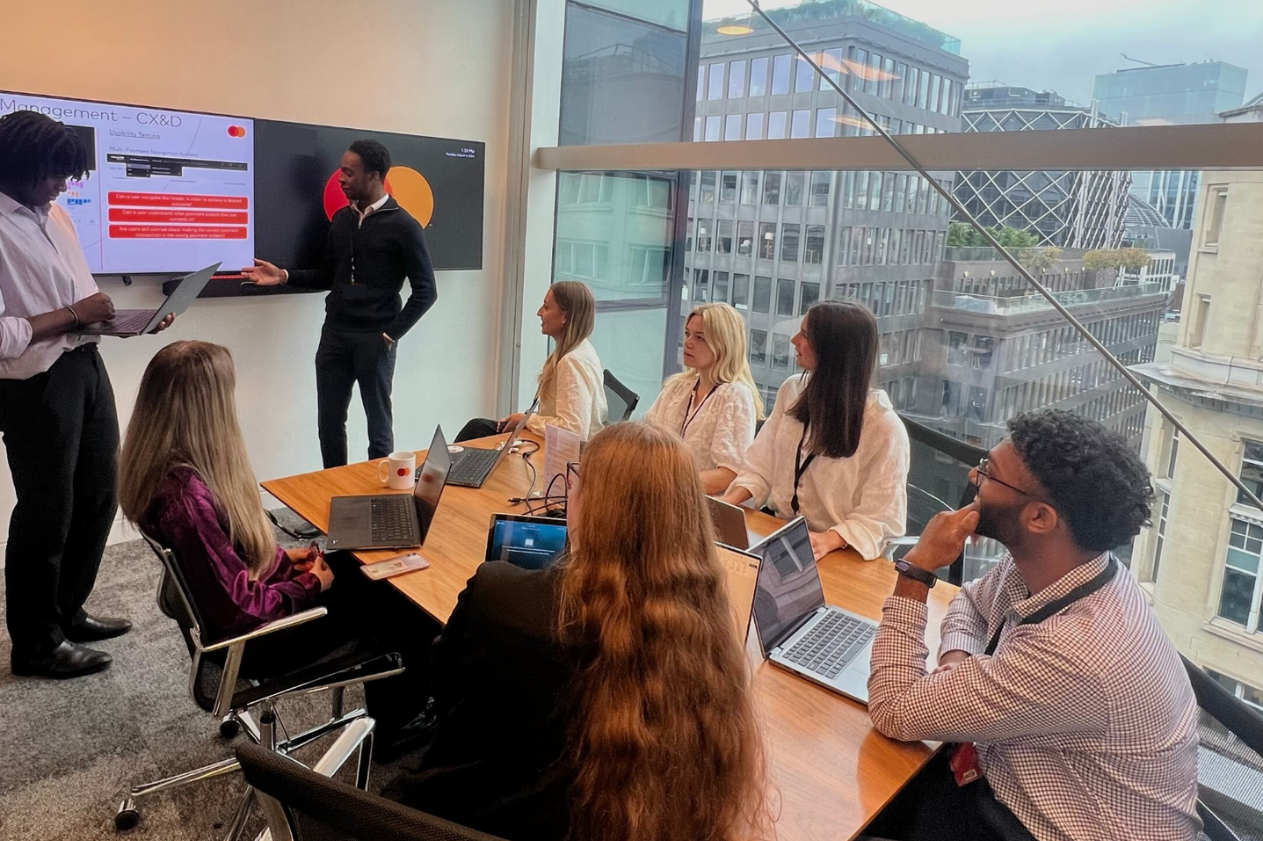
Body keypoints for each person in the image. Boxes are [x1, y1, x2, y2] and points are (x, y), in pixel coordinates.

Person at [385, 422, 767, 841]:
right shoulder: (702, 641)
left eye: (576, 480)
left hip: (456, 820)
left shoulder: (497, 596)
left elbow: (444, 693)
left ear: (588, 501)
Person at [865, 410, 1200, 841]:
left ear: (1039, 518)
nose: (973, 475)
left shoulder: (1076, 651)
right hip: (1008, 785)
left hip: (1037, 827)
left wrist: (918, 569)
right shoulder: (1063, 565)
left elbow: (893, 710)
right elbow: (971, 602)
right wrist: (956, 659)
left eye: (989, 473)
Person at [118, 341, 436, 744]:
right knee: (401, 597)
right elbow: (239, 610)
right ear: (206, 407)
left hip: (239, 616)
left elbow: (221, 560)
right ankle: (398, 725)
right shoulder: (186, 498)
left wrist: (281, 559)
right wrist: (309, 584)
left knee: (361, 566)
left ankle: (397, 707)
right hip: (258, 641)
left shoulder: (163, 470)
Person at [0, 111, 175, 679]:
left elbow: (80, 297)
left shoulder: (56, 215)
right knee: (47, 512)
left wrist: (124, 319)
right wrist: (76, 314)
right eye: (55, 174)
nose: (63, 186)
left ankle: (67, 611)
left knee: (102, 491)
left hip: (83, 362)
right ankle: (35, 645)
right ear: (20, 167)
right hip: (32, 383)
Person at [242, 139, 437, 468]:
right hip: (334, 336)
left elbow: (426, 291)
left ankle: (379, 502)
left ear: (373, 176)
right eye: (340, 172)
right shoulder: (341, 221)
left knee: (379, 429)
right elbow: (328, 277)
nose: (341, 179)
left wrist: (389, 336)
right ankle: (332, 493)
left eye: (349, 172)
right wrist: (284, 276)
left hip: (375, 339)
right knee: (329, 425)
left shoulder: (404, 227)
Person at [723, 301, 908, 561]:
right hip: (781, 535)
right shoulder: (791, 391)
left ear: (833, 350)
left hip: (841, 553)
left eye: (805, 335)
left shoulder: (884, 428)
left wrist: (829, 540)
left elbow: (882, 517)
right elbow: (760, 465)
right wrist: (727, 505)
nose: (794, 340)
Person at [458, 281, 606, 443]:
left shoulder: (571, 361)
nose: (539, 312)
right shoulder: (579, 349)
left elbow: (573, 431)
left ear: (565, 316)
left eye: (547, 307)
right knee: (477, 427)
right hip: (556, 444)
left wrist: (527, 420)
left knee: (476, 431)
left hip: (566, 454)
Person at [645, 302, 763, 494]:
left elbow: (728, 475)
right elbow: (646, 440)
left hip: (700, 504)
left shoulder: (734, 395)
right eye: (687, 333)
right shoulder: (677, 387)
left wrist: (667, 484)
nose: (688, 342)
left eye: (700, 338)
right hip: (663, 495)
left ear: (723, 345)